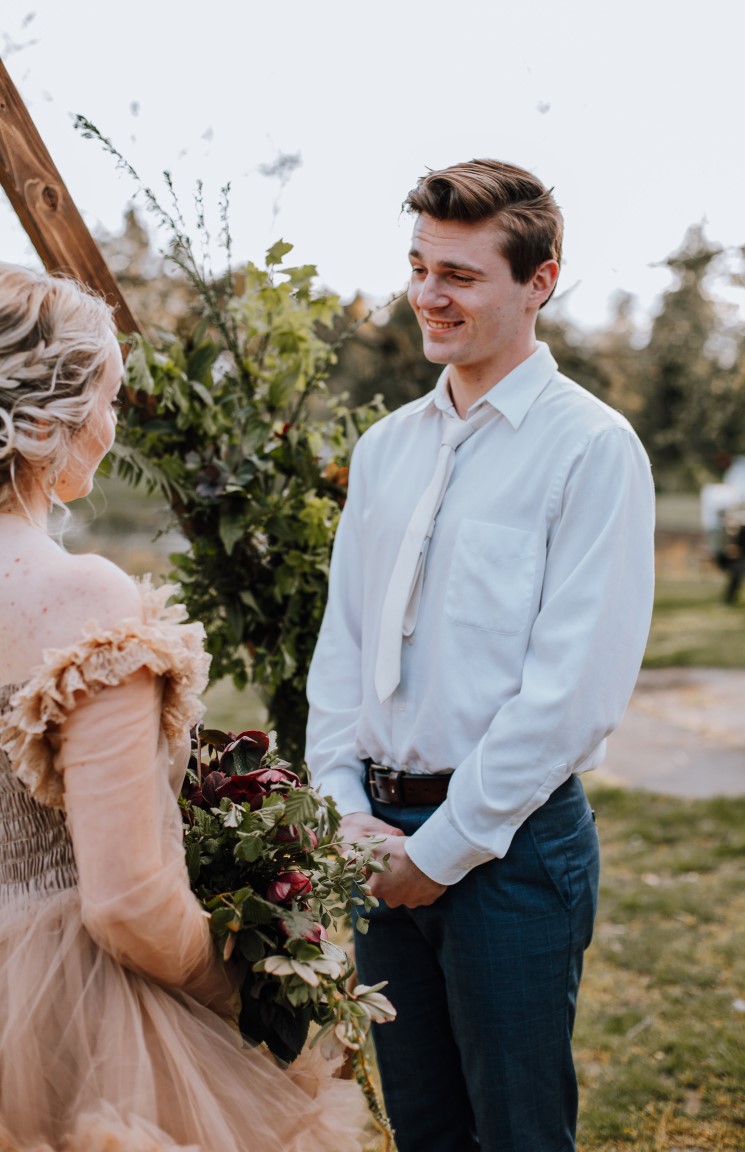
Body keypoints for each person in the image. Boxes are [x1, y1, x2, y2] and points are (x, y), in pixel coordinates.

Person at [305, 159, 656, 1151]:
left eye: (458, 274)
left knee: (517, 1132)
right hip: (376, 843)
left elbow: (574, 693)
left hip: (510, 850)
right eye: (419, 266)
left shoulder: (592, 449)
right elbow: (345, 647)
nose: (428, 294)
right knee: (421, 1126)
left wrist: (444, 849)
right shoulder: (384, 450)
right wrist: (346, 810)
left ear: (539, 281)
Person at [0, 262, 368, 1151]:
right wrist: (245, 998)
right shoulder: (77, 597)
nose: (112, 425)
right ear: (46, 422)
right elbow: (126, 900)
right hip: (77, 1028)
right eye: (109, 400)